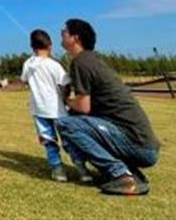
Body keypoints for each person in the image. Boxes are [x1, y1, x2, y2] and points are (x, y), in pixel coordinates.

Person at [56, 19, 161, 196]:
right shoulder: (92, 59)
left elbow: (83, 107)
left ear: (75, 38)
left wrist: (65, 99)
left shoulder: (81, 62)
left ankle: (121, 175)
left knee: (66, 124)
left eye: (64, 31)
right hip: (143, 143)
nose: (61, 33)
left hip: (138, 145)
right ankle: (131, 174)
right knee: (77, 121)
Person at [21, 29, 92, 183]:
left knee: (48, 141)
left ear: (32, 47)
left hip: (38, 110)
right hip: (58, 110)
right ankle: (82, 170)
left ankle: (58, 170)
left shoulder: (28, 64)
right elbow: (65, 84)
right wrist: (65, 97)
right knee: (69, 141)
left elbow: (25, 80)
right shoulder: (54, 65)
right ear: (50, 46)